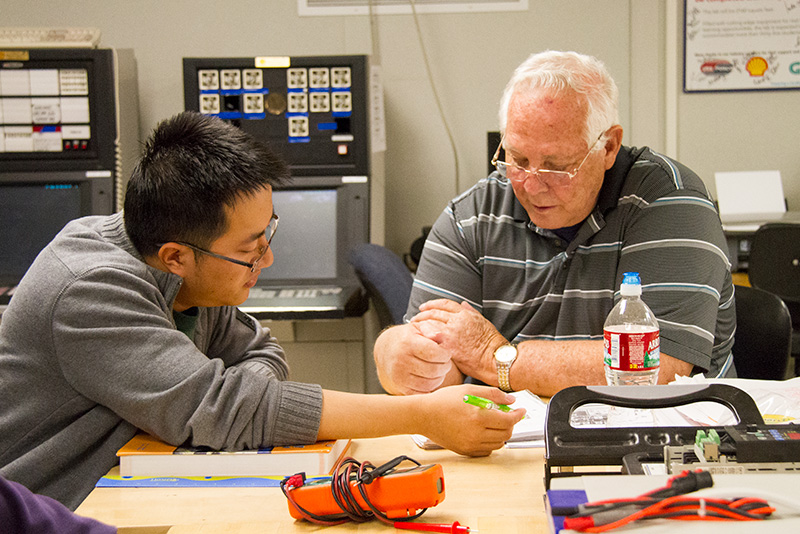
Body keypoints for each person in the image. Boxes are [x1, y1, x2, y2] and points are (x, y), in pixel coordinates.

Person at [0, 111, 524, 511]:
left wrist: (228, 402)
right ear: (176, 257)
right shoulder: (89, 289)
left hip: (127, 489)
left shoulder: (183, 265)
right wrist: (422, 414)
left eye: (268, 231)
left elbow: (257, 353)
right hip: (55, 508)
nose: (266, 259)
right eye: (251, 249)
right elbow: (227, 408)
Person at [374, 50, 735, 398]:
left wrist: (493, 356)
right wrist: (404, 359)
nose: (531, 185)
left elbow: (654, 369)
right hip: (509, 445)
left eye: (557, 165)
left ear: (608, 146)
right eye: (516, 159)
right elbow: (441, 360)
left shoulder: (670, 202)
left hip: (658, 443)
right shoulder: (471, 218)